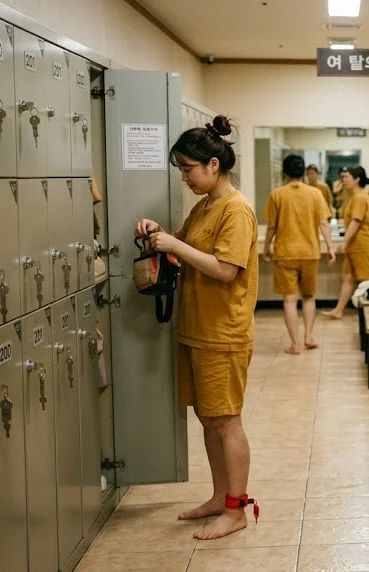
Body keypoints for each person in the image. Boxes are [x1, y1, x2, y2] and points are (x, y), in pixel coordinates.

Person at [134, 115, 259, 540]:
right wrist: (159, 235)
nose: (184, 177)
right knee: (209, 420)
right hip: (195, 328)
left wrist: (175, 244)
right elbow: (182, 252)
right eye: (182, 169)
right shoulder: (205, 206)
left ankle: (237, 509)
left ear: (213, 166)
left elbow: (225, 270)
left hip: (223, 332)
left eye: (189, 168)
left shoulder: (236, 210)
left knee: (226, 421)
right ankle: (218, 496)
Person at [263, 154, 336, 354]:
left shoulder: (277, 194)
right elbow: (323, 223)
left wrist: (266, 247)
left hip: (285, 254)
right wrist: (330, 247)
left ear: (284, 172)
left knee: (289, 300)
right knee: (309, 296)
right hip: (310, 252)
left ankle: (295, 344)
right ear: (303, 172)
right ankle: (309, 336)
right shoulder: (315, 194)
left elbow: (272, 225)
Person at [322, 166, 369, 319]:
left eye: (346, 177)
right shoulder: (354, 196)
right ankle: (339, 310)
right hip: (354, 244)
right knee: (347, 277)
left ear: (357, 179)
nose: (343, 180)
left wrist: (344, 242)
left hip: (361, 245)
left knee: (365, 279)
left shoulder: (360, 197)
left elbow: (356, 222)